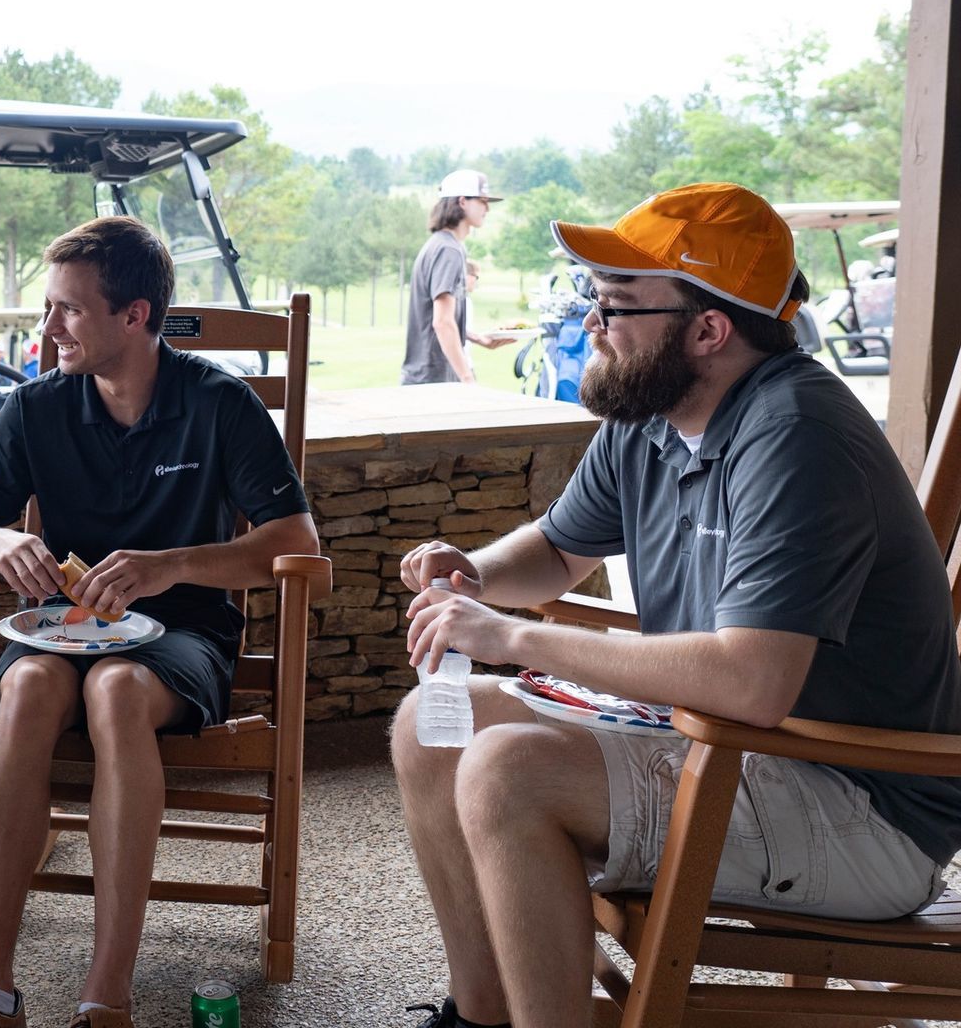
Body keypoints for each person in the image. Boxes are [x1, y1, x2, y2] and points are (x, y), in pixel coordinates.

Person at [389, 183, 961, 1028]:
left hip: (863, 803)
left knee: (511, 772)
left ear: (707, 329)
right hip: (733, 749)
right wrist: (470, 573)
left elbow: (753, 682)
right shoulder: (653, 410)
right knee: (428, 730)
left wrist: (513, 637)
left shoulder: (795, 434)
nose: (593, 323)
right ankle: (479, 1018)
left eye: (617, 305)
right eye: (594, 297)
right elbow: (555, 550)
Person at [0, 217, 320, 1028]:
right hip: (61, 628)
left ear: (135, 316)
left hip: (183, 633)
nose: (48, 329)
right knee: (31, 687)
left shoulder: (220, 404)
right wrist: (2, 540)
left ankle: (105, 995)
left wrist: (171, 564)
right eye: (49, 308)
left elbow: (294, 542)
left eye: (69, 311)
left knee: (114, 692)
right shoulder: (36, 409)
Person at [402, 169, 514, 385]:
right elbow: (442, 322)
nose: (488, 208)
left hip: (427, 377)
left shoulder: (442, 245)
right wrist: (467, 377)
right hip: (434, 381)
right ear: (462, 201)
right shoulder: (448, 250)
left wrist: (477, 338)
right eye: (482, 201)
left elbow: (443, 318)